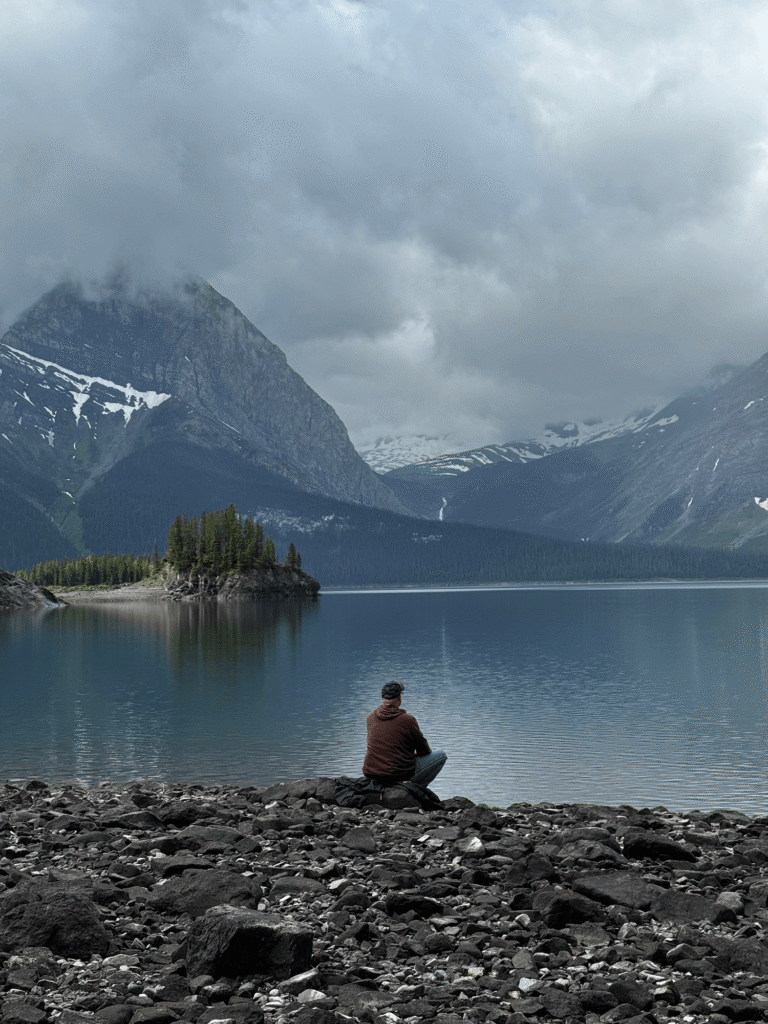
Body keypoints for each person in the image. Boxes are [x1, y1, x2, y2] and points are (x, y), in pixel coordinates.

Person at [362, 680, 446, 788]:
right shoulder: (407, 720)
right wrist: (412, 755)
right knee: (441, 755)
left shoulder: (370, 717)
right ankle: (416, 790)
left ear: (383, 699)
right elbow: (424, 750)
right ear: (399, 698)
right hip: (397, 775)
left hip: (372, 773)